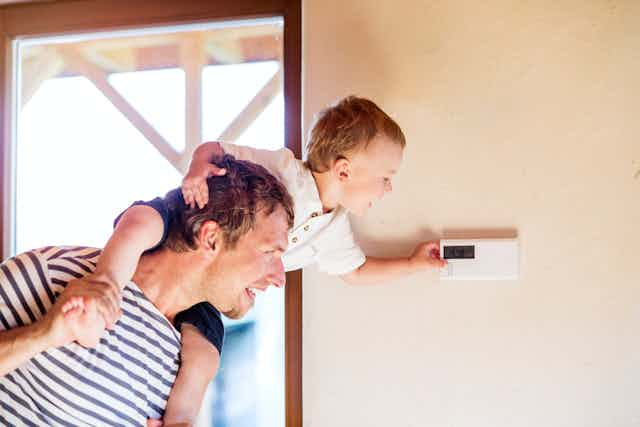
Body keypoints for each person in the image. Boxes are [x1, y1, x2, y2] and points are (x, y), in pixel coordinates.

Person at [83, 95, 448, 423]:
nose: (389, 188)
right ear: (343, 171)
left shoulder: (334, 225)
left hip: (212, 291)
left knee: (204, 358)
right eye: (385, 177)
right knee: (140, 223)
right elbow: (214, 148)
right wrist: (196, 170)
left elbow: (356, 270)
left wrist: (413, 264)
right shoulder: (283, 170)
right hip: (178, 227)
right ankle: (103, 287)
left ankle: (178, 420)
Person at [0, 156, 294, 426]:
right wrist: (44, 334)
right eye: (270, 252)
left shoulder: (187, 361)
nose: (280, 277)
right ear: (211, 239)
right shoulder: (53, 271)